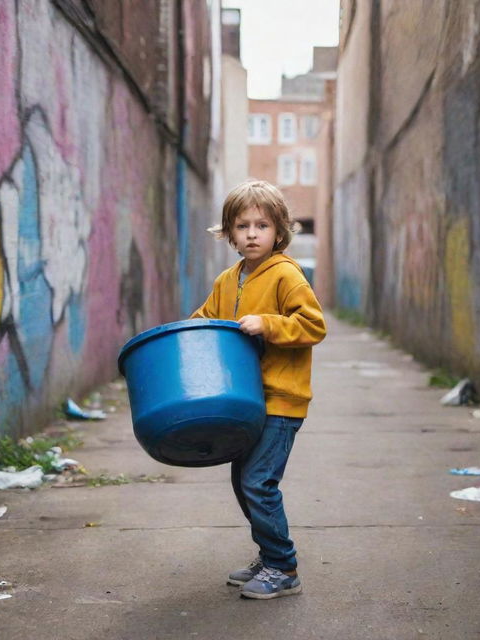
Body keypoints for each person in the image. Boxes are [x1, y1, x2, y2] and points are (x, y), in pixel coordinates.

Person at [191, 179, 326, 599]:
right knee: (243, 481)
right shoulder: (227, 280)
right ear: (229, 232)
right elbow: (207, 319)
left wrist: (268, 323)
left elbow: (313, 325)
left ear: (279, 231)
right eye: (242, 225)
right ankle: (269, 555)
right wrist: (187, 330)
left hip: (281, 400)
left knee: (258, 482)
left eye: (262, 225)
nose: (252, 233)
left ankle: (283, 567)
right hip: (244, 402)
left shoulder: (287, 275)